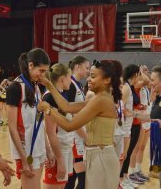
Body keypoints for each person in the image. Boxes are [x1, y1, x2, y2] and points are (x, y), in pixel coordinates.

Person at [38, 59, 122, 189]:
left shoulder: (101, 100)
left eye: (93, 76)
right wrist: (49, 85)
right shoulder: (98, 98)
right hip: (97, 154)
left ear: (107, 80)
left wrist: (48, 109)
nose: (88, 78)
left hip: (101, 156)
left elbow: (69, 126)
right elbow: (66, 107)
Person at [6, 48, 51, 189]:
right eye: (41, 71)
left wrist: (48, 149)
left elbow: (39, 121)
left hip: (39, 147)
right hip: (26, 151)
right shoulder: (15, 87)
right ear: (31, 65)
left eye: (45, 71)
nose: (43, 75)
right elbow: (12, 126)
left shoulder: (36, 86)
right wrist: (24, 158)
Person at [42, 63, 75, 189]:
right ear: (62, 78)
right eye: (69, 77)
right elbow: (51, 132)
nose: (71, 81)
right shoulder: (50, 97)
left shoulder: (60, 94)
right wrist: (59, 159)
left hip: (65, 148)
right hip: (57, 151)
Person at [63, 55, 90, 189]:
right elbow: (71, 116)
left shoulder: (77, 85)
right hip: (74, 137)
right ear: (78, 66)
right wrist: (86, 137)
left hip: (78, 135)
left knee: (72, 178)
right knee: (82, 179)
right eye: (87, 68)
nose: (88, 71)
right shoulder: (71, 85)